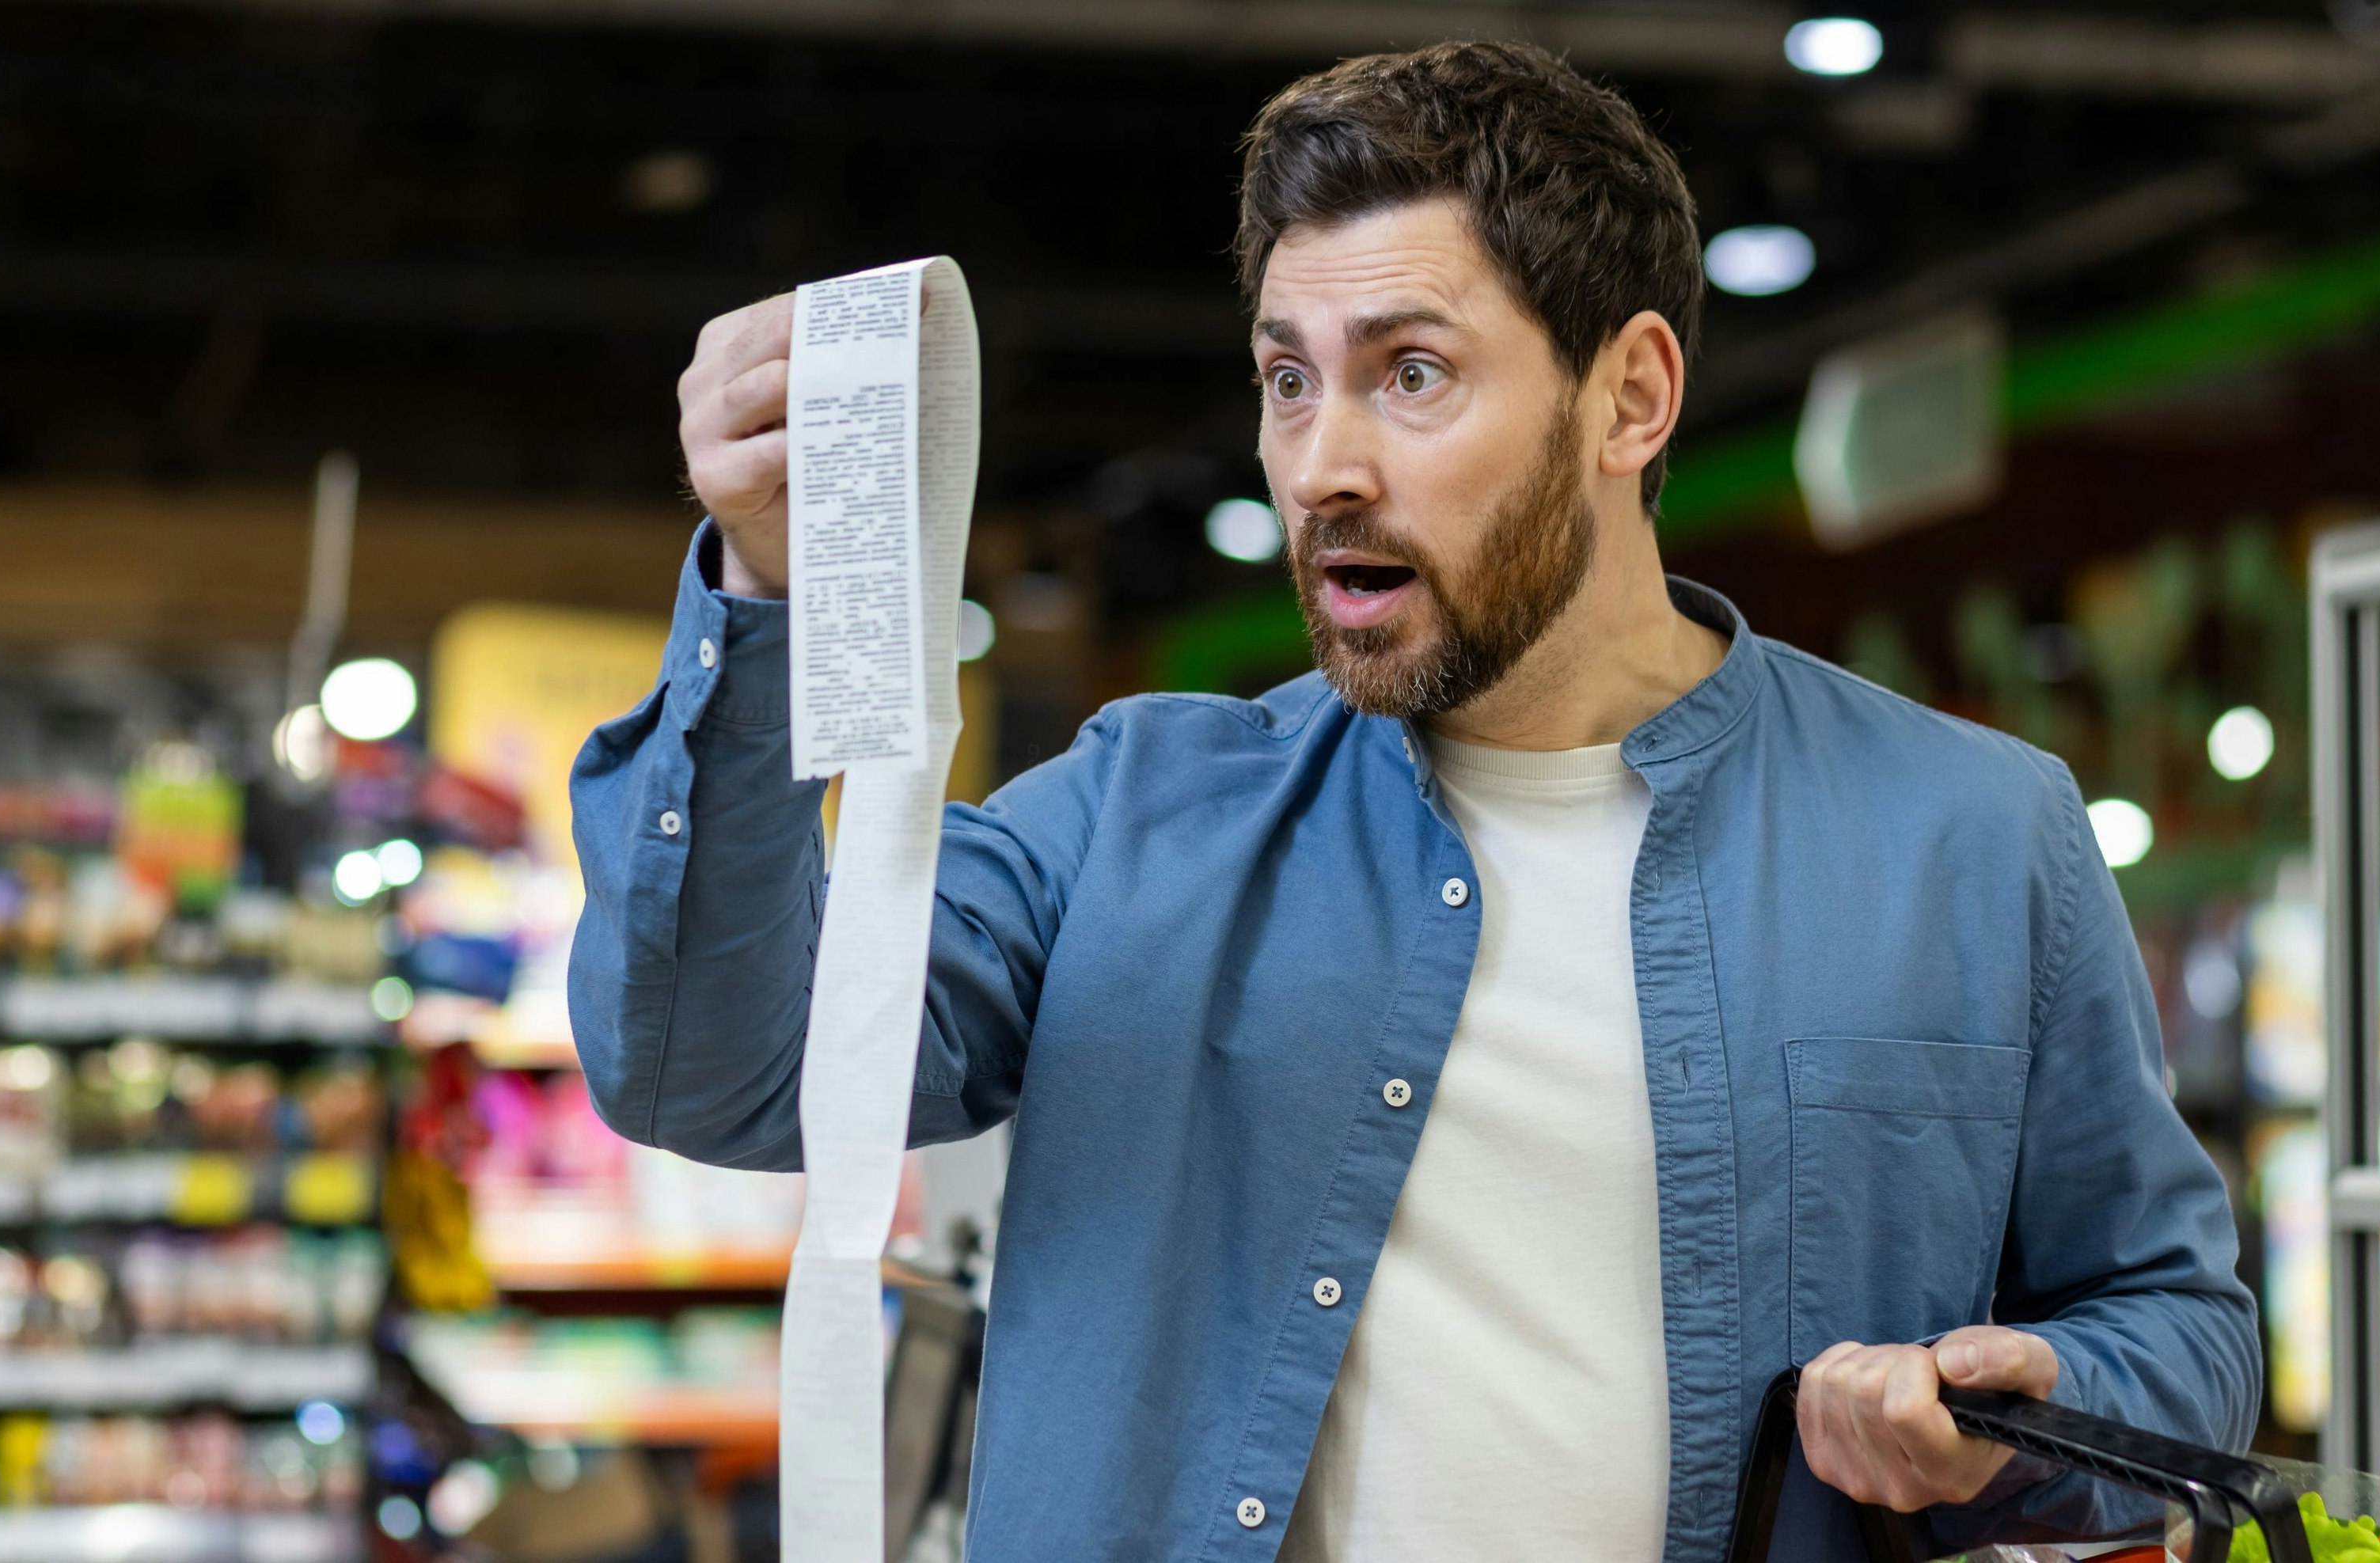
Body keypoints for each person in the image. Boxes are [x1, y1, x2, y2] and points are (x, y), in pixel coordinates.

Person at [569, 39, 2259, 1563]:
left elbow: (2178, 1334)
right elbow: (714, 1071)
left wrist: (2021, 1403)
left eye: (1412, 372)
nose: (1320, 465)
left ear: (1630, 396)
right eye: (1288, 377)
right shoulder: (1132, 812)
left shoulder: (1968, 837)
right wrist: (763, 598)